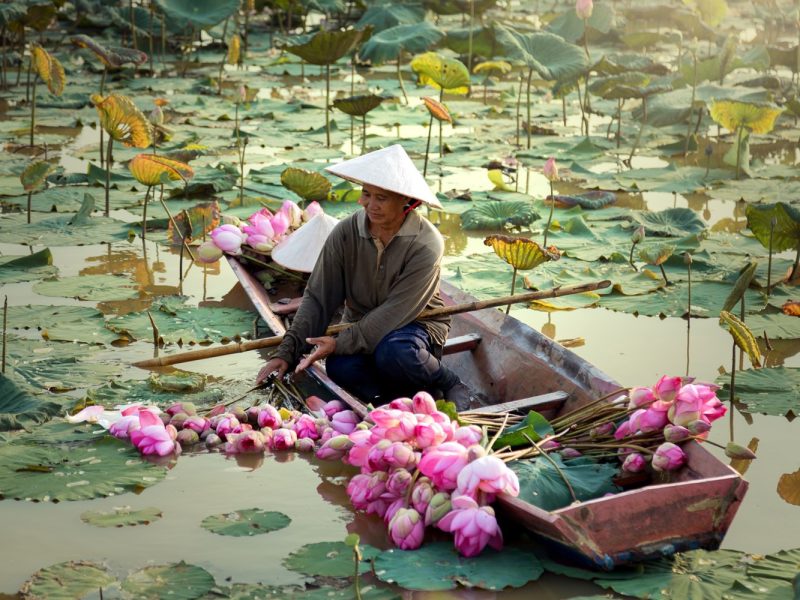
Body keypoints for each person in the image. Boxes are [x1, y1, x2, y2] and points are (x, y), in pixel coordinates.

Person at [255, 144, 473, 409]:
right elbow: (318, 298)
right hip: (359, 322)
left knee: (395, 352)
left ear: (408, 202)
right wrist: (287, 352)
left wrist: (338, 342)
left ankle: (448, 382)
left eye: (381, 198)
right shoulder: (345, 233)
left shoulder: (426, 243)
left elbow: (396, 312)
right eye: (366, 194)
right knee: (341, 367)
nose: (370, 204)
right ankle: (389, 402)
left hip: (415, 325)